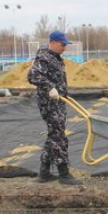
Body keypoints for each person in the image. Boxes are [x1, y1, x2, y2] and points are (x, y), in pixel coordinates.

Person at [27, 31, 81, 185]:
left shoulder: (54, 56)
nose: (64, 48)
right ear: (54, 42)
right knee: (58, 137)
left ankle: (44, 172)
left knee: (53, 135)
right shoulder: (45, 57)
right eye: (62, 45)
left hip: (58, 102)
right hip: (50, 104)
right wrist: (49, 88)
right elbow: (33, 76)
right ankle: (64, 174)